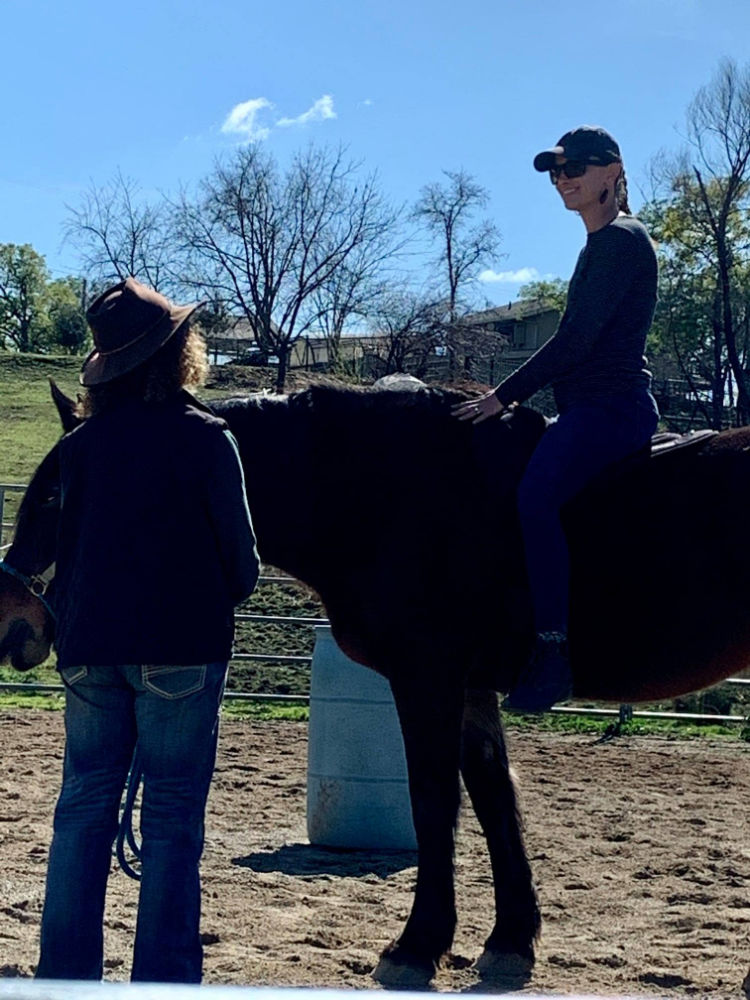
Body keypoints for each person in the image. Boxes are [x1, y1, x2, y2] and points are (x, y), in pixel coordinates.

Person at [35, 277, 260, 982]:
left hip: (89, 649)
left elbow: (62, 561)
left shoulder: (79, 446)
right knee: (169, 818)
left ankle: (63, 980)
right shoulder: (206, 439)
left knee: (81, 811)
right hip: (181, 646)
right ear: (177, 353)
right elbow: (243, 565)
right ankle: (162, 983)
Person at [453, 125, 659, 712]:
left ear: (613, 171)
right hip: (586, 409)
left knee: (535, 499)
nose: (563, 178)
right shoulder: (600, 244)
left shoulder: (622, 240)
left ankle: (553, 652)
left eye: (577, 167)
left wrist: (503, 397)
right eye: (556, 170)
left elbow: (574, 341)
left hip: (610, 410)